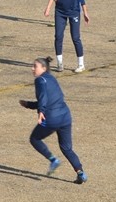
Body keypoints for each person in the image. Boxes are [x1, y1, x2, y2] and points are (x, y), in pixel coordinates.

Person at [19, 56, 87, 184]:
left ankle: (53, 160)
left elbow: (43, 98)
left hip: (51, 118)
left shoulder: (40, 80)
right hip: (65, 116)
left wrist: (41, 112)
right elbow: (52, 99)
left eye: (35, 66)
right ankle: (81, 173)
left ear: (43, 68)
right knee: (67, 148)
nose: (32, 68)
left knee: (34, 139)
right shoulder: (51, 78)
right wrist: (29, 105)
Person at [44, 0, 90, 72]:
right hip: (60, 12)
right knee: (58, 36)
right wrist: (48, 8)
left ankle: (81, 64)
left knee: (75, 38)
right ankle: (60, 63)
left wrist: (85, 13)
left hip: (74, 12)